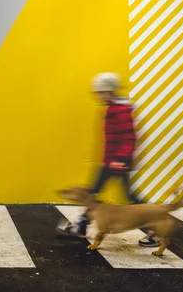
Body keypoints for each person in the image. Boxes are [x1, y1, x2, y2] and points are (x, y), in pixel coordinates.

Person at [55, 72, 160, 248]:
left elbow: (129, 137)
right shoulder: (113, 108)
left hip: (117, 161)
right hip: (111, 160)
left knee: (123, 196)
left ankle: (155, 229)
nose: (98, 96)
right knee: (97, 193)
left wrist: (120, 158)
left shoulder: (120, 110)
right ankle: (80, 226)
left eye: (101, 92)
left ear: (109, 91)